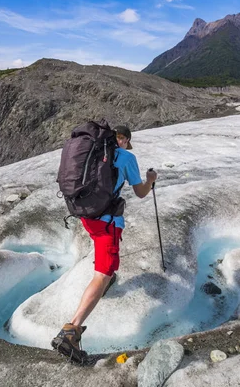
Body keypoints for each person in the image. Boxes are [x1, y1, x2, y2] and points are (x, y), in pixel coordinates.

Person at [51, 125, 158, 362]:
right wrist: (150, 180)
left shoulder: (93, 153)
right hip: (107, 221)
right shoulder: (126, 156)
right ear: (125, 140)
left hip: (88, 215)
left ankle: (104, 281)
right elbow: (140, 192)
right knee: (103, 272)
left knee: (100, 248)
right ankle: (72, 330)